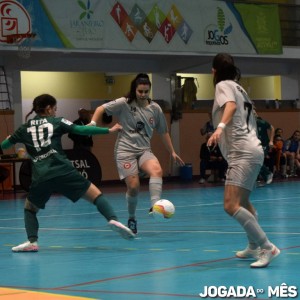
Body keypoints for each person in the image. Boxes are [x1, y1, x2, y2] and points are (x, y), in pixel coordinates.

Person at [0, 94, 135, 252]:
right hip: (63, 170)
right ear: (49, 108)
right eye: (55, 109)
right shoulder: (57, 121)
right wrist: (109, 130)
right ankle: (113, 220)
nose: (55, 112)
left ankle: (32, 241)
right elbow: (81, 130)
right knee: (96, 195)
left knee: (30, 209)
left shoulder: (23, 128)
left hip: (41, 176)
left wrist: (10, 138)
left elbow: (5, 144)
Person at [207, 53, 280, 268]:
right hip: (252, 149)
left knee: (230, 205)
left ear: (214, 71)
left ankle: (267, 246)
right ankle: (253, 245)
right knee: (244, 202)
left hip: (242, 152)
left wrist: (219, 128)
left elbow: (229, 107)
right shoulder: (241, 89)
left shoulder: (223, 85)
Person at [90, 73, 184, 234]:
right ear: (135, 90)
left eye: (146, 92)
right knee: (133, 187)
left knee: (157, 170)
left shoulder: (155, 109)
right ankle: (132, 218)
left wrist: (173, 152)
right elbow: (100, 108)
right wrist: (92, 123)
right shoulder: (124, 103)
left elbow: (163, 132)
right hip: (125, 151)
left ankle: (155, 206)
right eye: (140, 91)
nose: (143, 95)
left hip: (144, 151)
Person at [256, 116, 274, 185]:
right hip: (256, 145)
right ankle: (266, 177)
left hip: (264, 144)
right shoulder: (249, 124)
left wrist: (271, 141)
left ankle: (268, 173)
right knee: (255, 161)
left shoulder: (261, 122)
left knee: (258, 160)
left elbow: (272, 128)